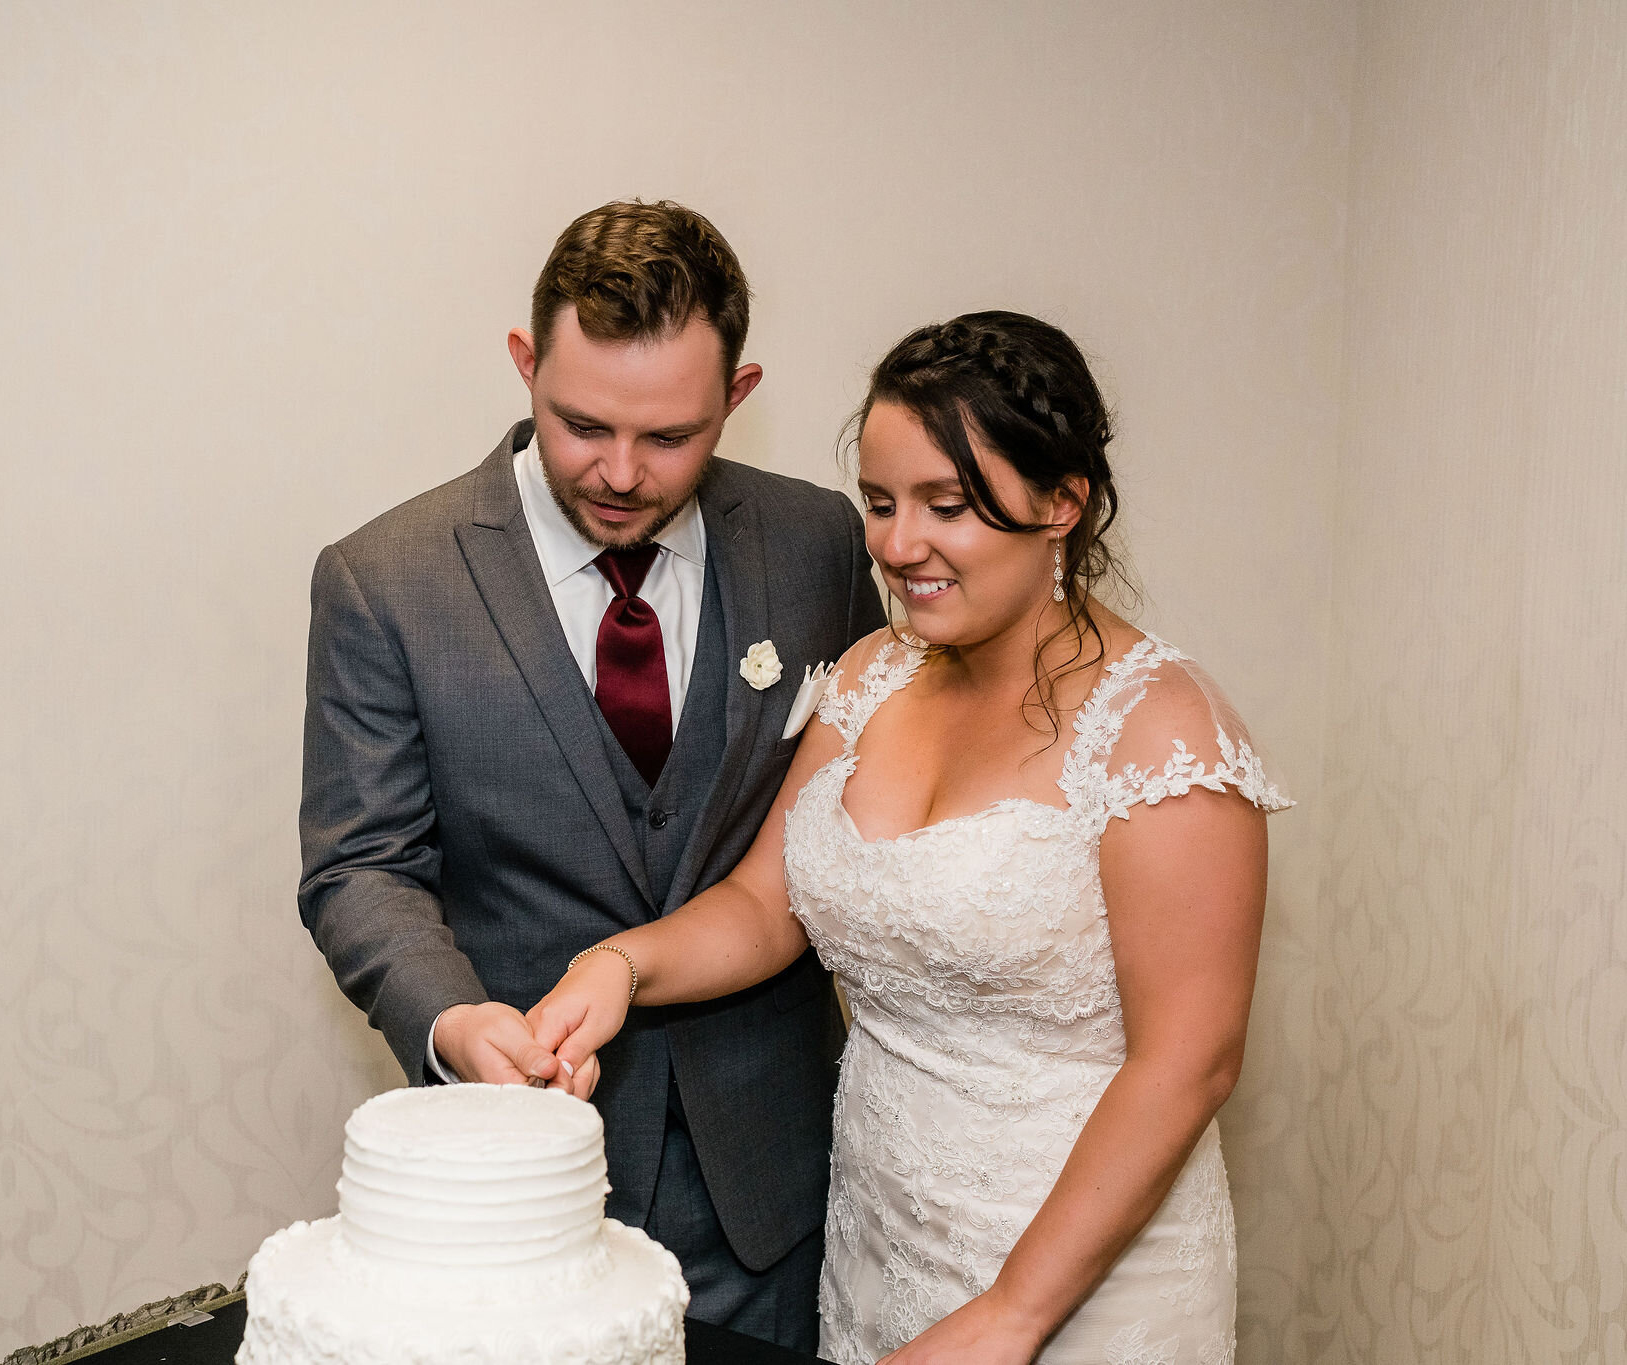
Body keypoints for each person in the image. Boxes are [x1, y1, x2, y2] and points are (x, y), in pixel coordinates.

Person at [529, 311, 1293, 1364]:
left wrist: (1011, 1315)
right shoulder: (868, 677)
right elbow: (764, 906)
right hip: (879, 1241)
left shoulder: (1159, 729)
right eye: (880, 504)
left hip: (1080, 1274)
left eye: (947, 507)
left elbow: (1188, 1062)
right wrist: (619, 965)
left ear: (1061, 502)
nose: (896, 547)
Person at [297, 199, 888, 1352]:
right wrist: (455, 1022)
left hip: (773, 1179)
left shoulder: (818, 546)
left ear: (739, 395)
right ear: (525, 366)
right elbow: (360, 868)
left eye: (670, 437)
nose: (619, 473)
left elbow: (852, 818)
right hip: (521, 1194)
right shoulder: (385, 582)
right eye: (580, 424)